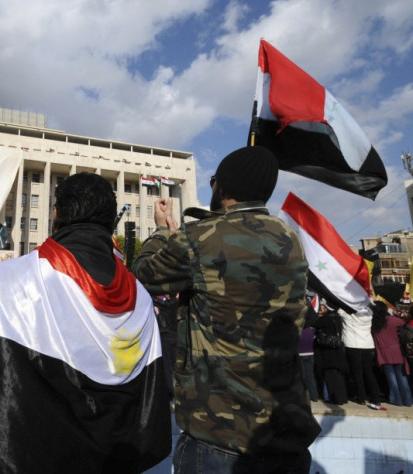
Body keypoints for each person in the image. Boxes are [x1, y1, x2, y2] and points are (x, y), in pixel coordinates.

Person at [0, 172, 171, 473]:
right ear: (110, 223)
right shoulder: (142, 299)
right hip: (117, 462)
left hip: (28, 460)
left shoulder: (7, 280)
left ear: (56, 214)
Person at [133, 146, 320, 473]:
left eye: (213, 181)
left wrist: (164, 231)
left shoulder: (199, 236)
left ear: (224, 187)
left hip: (219, 432)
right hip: (286, 429)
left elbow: (144, 276)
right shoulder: (289, 238)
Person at [338, 306, 384, 410]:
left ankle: (361, 397)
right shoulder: (369, 315)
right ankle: (375, 398)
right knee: (369, 373)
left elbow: (339, 309)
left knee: (357, 373)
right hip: (368, 345)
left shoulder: (347, 316)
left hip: (353, 345)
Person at [371, 301, 413, 407]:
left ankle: (397, 400)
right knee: (402, 377)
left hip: (383, 353)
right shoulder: (392, 320)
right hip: (397, 352)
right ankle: (407, 401)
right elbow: (405, 323)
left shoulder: (373, 323)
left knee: (391, 378)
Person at [313, 303, 348, 405]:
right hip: (337, 350)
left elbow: (314, 323)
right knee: (337, 376)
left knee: (331, 376)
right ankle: (340, 397)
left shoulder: (325, 319)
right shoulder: (339, 319)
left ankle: (335, 397)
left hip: (328, 351)